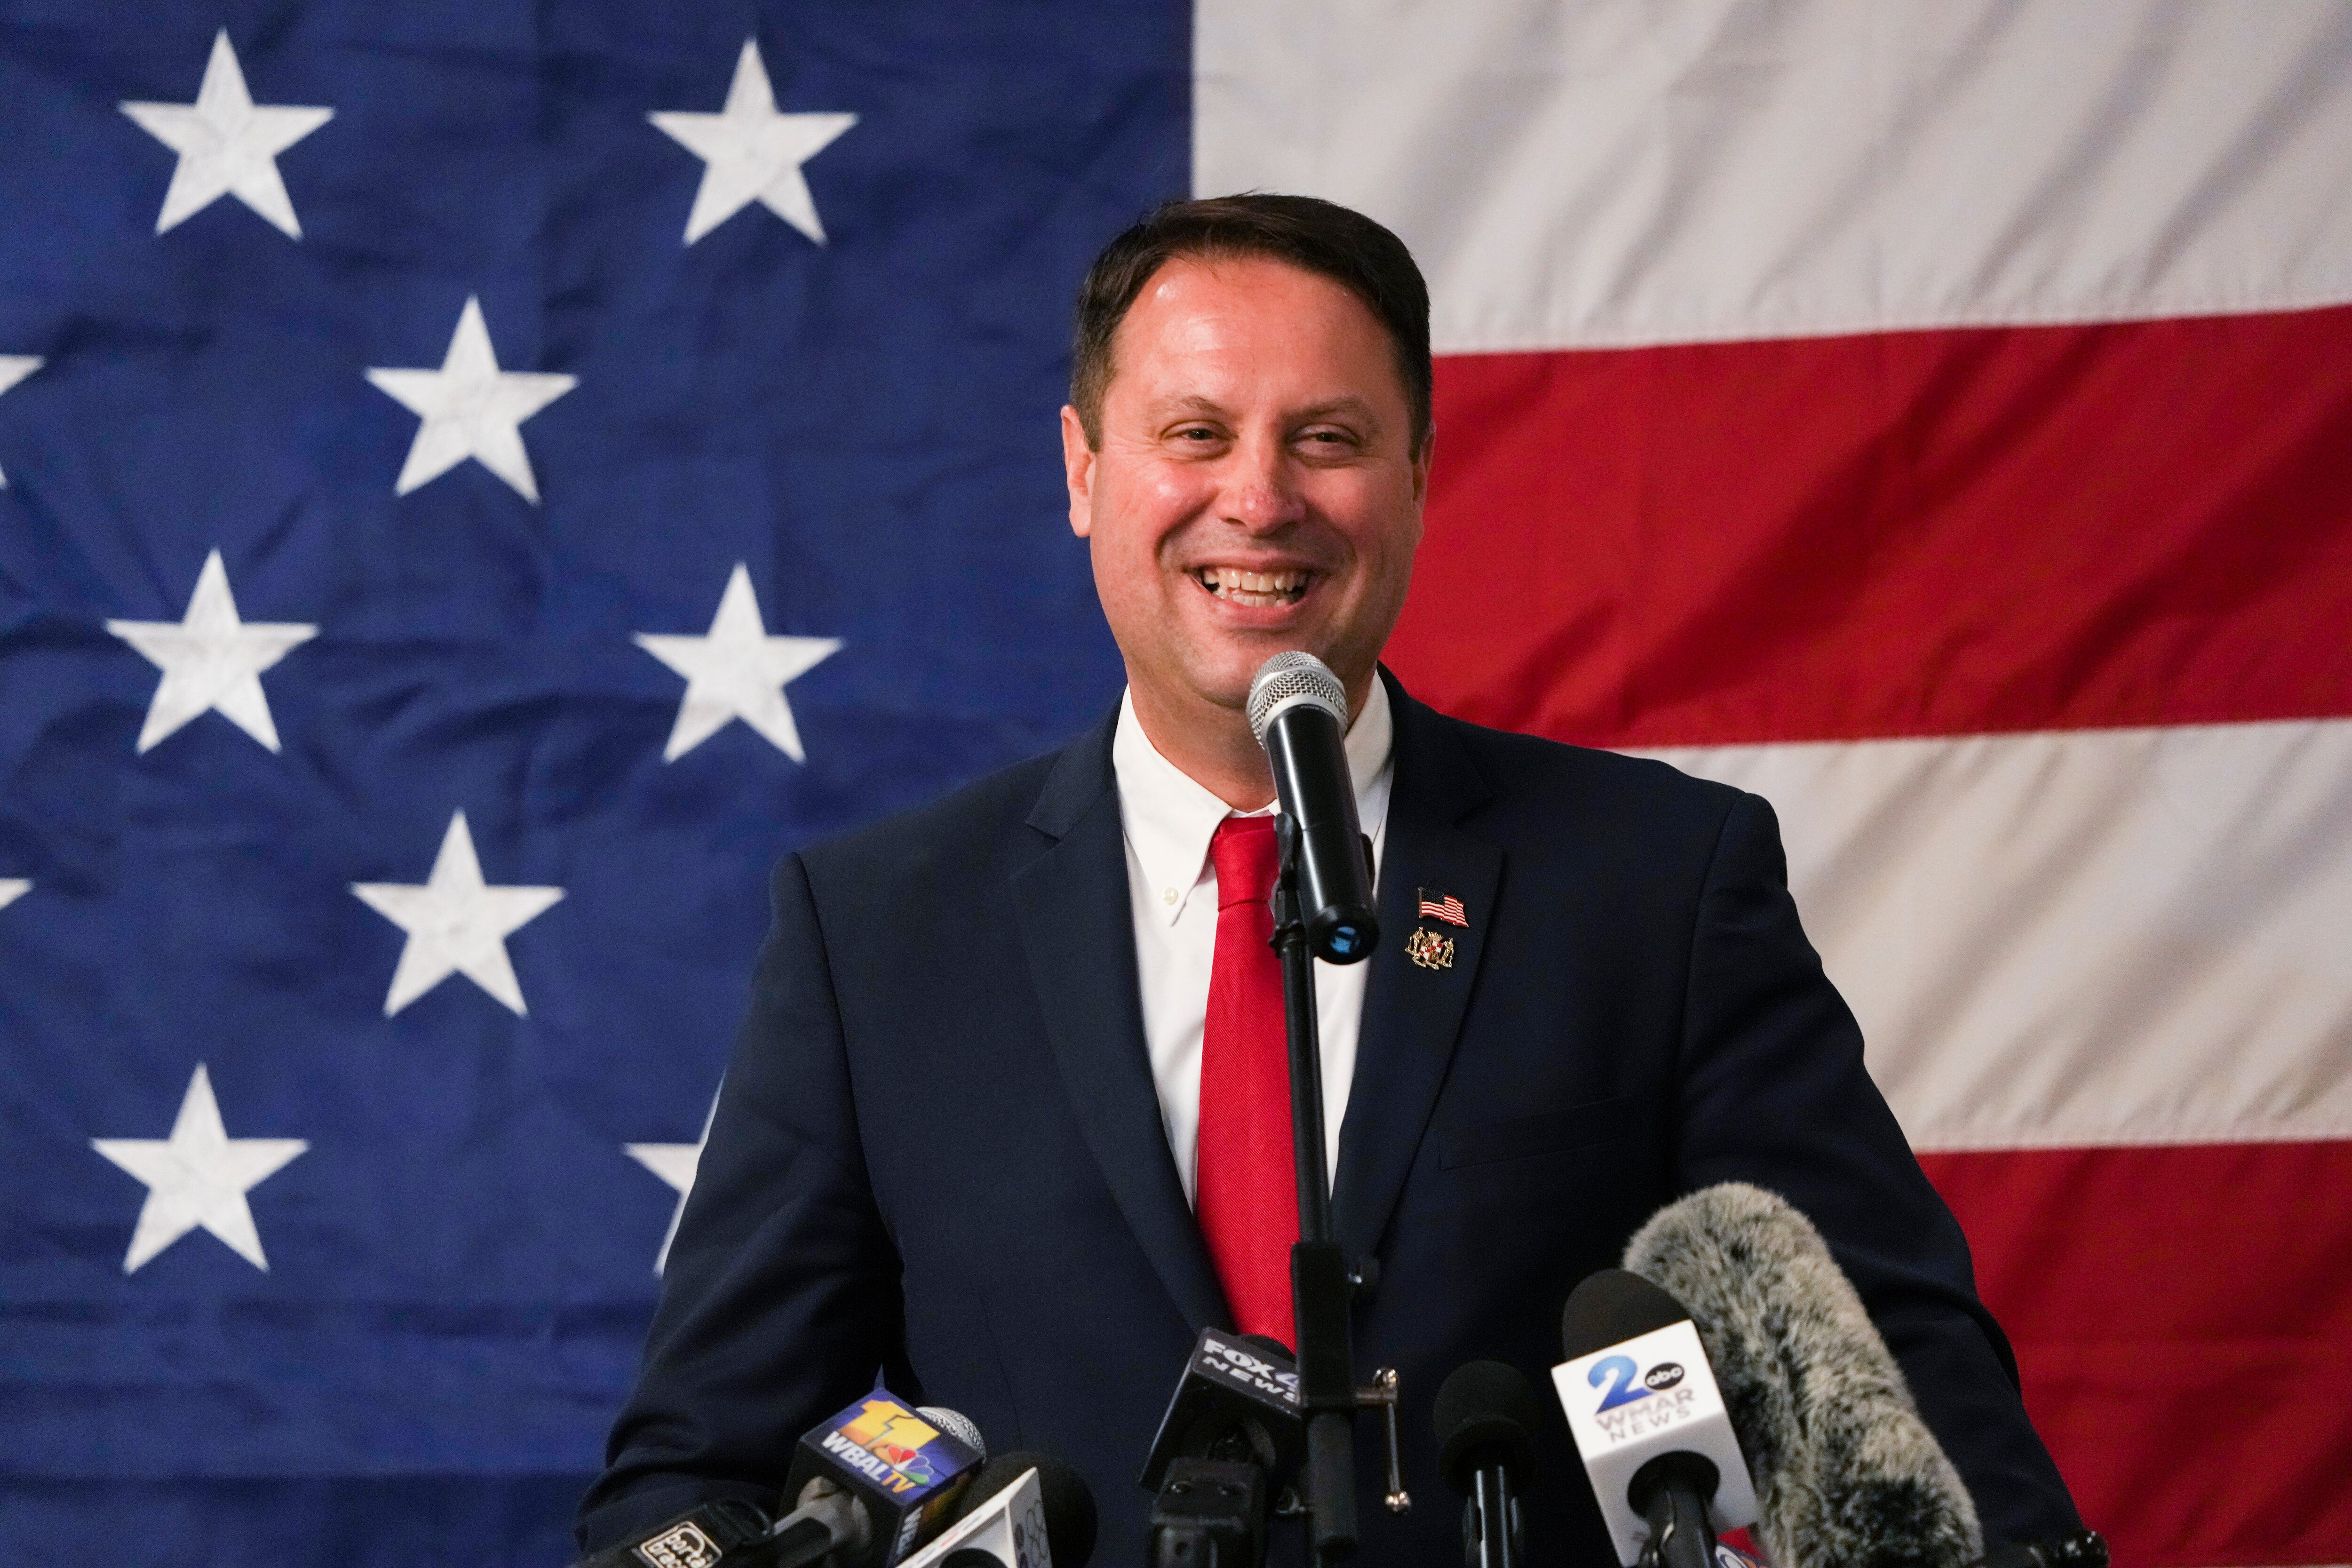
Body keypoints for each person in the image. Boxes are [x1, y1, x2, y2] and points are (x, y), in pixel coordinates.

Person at [576, 195, 2081, 1563]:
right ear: (1085, 472)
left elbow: (1900, 1388)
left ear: (1417, 480)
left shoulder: (1657, 886)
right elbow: (689, 1481)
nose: (1259, 499)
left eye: (1327, 439)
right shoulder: (877, 938)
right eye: (1195, 434)